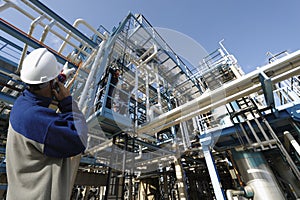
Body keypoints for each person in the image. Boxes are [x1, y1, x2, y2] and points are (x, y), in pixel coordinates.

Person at [5, 48, 88, 200]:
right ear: (50, 83)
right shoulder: (38, 121)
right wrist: (68, 104)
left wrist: (59, 78)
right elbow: (79, 139)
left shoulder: (23, 103)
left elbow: (40, 87)